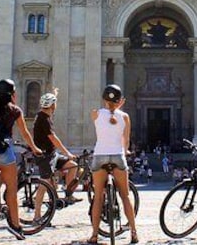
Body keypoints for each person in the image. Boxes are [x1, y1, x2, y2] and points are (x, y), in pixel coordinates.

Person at [0, 79, 42, 240]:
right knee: (12, 190)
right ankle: (16, 225)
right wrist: (34, 148)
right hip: (3, 150)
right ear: (13, 94)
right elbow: (25, 133)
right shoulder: (15, 110)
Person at [87, 84, 139, 245]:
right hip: (117, 156)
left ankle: (94, 235)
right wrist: (126, 150)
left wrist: (113, 107)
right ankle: (134, 233)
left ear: (103, 98)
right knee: (125, 195)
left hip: (100, 156)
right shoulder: (124, 117)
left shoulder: (95, 114)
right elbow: (126, 140)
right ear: (119, 100)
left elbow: (107, 113)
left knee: (98, 198)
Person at [33, 88, 81, 220]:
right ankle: (37, 216)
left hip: (53, 155)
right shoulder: (44, 119)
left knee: (72, 165)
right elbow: (54, 139)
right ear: (52, 105)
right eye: (55, 103)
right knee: (44, 185)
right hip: (45, 156)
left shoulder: (44, 115)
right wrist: (67, 153)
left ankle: (68, 194)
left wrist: (55, 95)